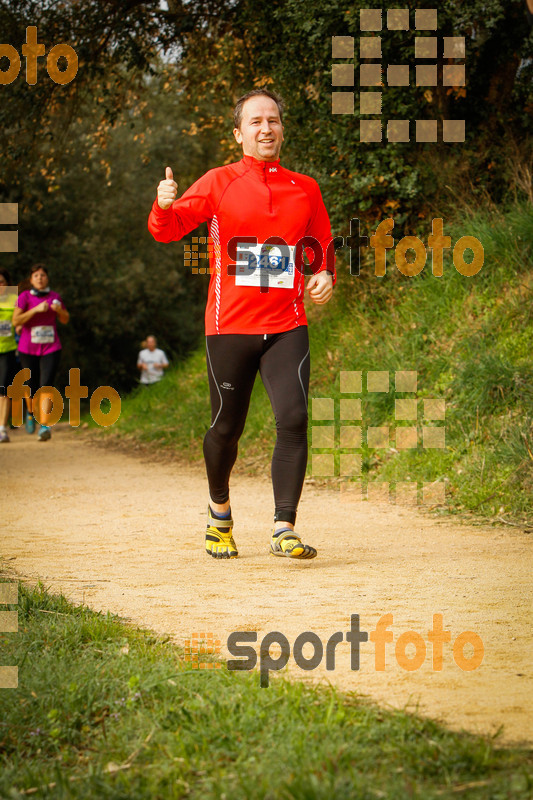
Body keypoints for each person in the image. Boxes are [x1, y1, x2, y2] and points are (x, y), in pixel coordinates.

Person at [148, 88, 335, 560]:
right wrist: (164, 204)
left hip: (288, 325)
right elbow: (167, 230)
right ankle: (219, 514)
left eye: (273, 119)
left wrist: (324, 275)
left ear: (282, 128)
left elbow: (320, 247)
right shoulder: (218, 182)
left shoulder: (305, 188)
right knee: (225, 429)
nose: (266, 128)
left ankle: (284, 527)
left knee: (293, 419)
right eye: (255, 122)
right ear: (239, 133)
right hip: (229, 326)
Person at [12, 264, 69, 441]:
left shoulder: (55, 297)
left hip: (51, 347)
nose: (40, 278)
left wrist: (59, 310)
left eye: (43, 275)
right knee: (31, 386)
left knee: (46, 385)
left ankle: (44, 425)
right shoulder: (25, 297)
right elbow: (16, 320)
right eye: (36, 275)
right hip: (28, 348)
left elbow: (65, 320)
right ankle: (30, 413)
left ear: (47, 278)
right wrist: (35, 310)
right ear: (31, 280)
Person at [0, 269, 18, 443]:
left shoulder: (14, 300)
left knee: (4, 391)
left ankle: (2, 428)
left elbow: (20, 321)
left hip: (8, 350)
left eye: (2, 282)